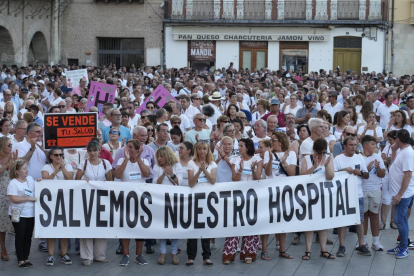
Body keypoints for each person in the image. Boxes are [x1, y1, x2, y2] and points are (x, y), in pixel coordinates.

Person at [223, 138, 263, 264]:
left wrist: (253, 169)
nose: (239, 148)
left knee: (251, 224)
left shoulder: (257, 160)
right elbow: (234, 179)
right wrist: (240, 169)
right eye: (238, 145)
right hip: (238, 196)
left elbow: (258, 179)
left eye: (241, 145)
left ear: (247, 147)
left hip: (253, 196)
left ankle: (249, 254)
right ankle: (229, 254)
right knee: (235, 224)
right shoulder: (235, 160)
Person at [76, 141, 112, 266]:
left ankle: (100, 255)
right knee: (86, 226)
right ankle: (87, 256)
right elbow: (76, 180)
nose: (92, 153)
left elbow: (111, 180)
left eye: (95, 150)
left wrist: (106, 182)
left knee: (101, 226)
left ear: (99, 151)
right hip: (86, 199)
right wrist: (82, 180)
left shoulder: (105, 163)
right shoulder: (83, 163)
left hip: (102, 199)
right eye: (90, 151)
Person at [114, 140, 150, 266]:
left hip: (140, 200)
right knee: (125, 228)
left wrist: (138, 158)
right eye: (127, 147)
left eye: (130, 147)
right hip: (125, 199)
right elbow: (117, 175)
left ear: (136, 149)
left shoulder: (144, 161)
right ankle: (125, 254)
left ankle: (139, 255)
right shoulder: (121, 161)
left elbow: (146, 173)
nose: (127, 149)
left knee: (139, 228)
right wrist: (126, 160)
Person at [333, 136, 370, 257]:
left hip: (357, 194)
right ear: (345, 146)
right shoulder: (338, 159)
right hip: (343, 194)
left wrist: (361, 173)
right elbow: (331, 176)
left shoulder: (359, 158)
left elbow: (366, 175)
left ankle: (362, 244)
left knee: (359, 220)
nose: (353, 147)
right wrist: (344, 170)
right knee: (343, 221)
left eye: (355, 145)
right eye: (351, 145)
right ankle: (342, 246)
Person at [300, 138, 335, 261]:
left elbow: (330, 177)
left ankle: (323, 249)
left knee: (323, 224)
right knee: (309, 224)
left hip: (323, 194)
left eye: (323, 152)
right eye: (319, 152)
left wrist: (325, 166)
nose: (321, 155)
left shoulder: (328, 159)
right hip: (309, 195)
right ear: (314, 150)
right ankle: (308, 250)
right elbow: (302, 177)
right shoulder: (306, 159)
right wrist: (314, 166)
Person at [41, 146, 74, 266]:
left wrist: (63, 168)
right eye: (56, 155)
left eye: (61, 155)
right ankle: (50, 255)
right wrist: (55, 171)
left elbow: (70, 179)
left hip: (65, 201)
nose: (59, 157)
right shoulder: (46, 167)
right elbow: (45, 181)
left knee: (64, 229)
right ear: (51, 156)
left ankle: (64, 254)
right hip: (50, 202)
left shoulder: (68, 166)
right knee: (51, 229)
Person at [186, 141, 217, 266]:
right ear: (197, 150)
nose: (203, 151)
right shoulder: (191, 163)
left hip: (207, 199)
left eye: (205, 149)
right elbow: (191, 183)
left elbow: (213, 180)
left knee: (206, 229)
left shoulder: (212, 163)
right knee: (193, 228)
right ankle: (191, 256)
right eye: (200, 149)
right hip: (194, 198)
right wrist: (199, 171)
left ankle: (206, 256)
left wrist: (205, 170)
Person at [152, 146, 183, 265]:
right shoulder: (156, 167)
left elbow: (180, 183)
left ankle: (174, 252)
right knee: (162, 227)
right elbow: (155, 184)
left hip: (174, 200)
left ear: (167, 156)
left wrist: (172, 175)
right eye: (158, 156)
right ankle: (163, 252)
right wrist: (163, 174)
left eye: (161, 156)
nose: (159, 159)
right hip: (161, 200)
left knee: (174, 227)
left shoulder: (177, 166)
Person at [386, 129, 414, 259]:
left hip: (403, 194)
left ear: (398, 139)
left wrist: (399, 194)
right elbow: (393, 166)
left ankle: (404, 247)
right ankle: (403, 244)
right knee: (402, 219)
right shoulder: (402, 151)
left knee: (398, 220)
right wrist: (393, 151)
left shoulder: (408, 153)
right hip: (400, 192)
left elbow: (408, 175)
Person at [7, 159, 39, 268]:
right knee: (20, 236)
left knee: (28, 236)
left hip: (30, 213)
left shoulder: (30, 179)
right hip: (18, 214)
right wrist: (27, 198)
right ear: (17, 172)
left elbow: (36, 188)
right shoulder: (13, 183)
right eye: (24, 169)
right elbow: (13, 199)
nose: (27, 170)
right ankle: (20, 259)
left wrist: (39, 181)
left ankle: (26, 257)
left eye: (27, 168)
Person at [360, 135, 386, 251]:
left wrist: (378, 167)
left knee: (375, 215)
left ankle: (376, 241)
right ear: (365, 145)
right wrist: (367, 167)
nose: (375, 146)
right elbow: (357, 174)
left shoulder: (378, 157)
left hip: (375, 189)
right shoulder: (358, 157)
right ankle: (363, 241)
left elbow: (382, 174)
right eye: (372, 144)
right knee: (364, 216)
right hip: (362, 190)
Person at [0, 137, 16, 261]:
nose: (11, 147)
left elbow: (13, 173)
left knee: (5, 221)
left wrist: (14, 162)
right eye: (9, 145)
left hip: (9, 192)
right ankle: (3, 248)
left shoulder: (11, 157)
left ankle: (4, 247)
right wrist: (6, 164)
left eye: (11, 145)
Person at [381, 130, 397, 229]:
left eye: (390, 140)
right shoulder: (387, 147)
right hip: (387, 174)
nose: (389, 142)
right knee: (386, 199)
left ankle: (393, 221)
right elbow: (382, 158)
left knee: (395, 199)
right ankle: (383, 222)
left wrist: (390, 159)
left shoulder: (402, 148)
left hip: (396, 176)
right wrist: (387, 160)